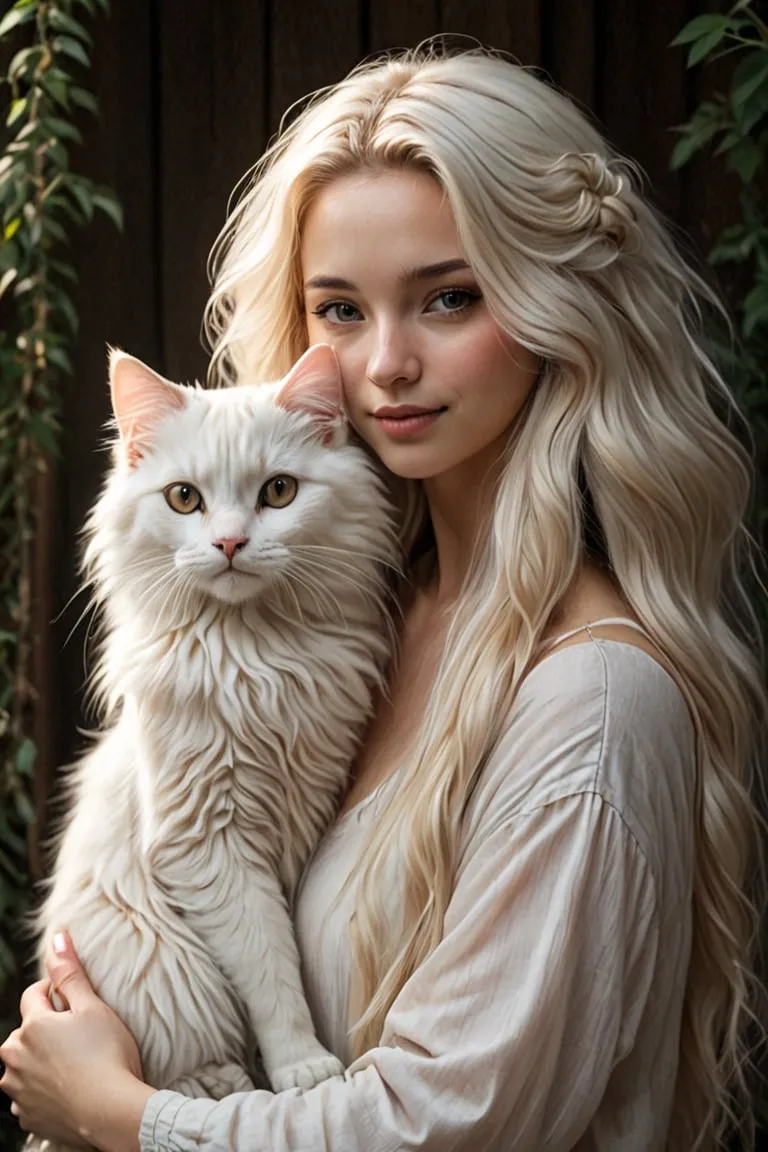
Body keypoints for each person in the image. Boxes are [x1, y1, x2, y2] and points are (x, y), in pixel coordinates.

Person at [1, 42, 766, 1152]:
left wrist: (119, 1113)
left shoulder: (591, 704)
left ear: (561, 306)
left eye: (449, 297)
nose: (385, 365)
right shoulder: (374, 617)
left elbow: (439, 1126)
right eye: (340, 311)